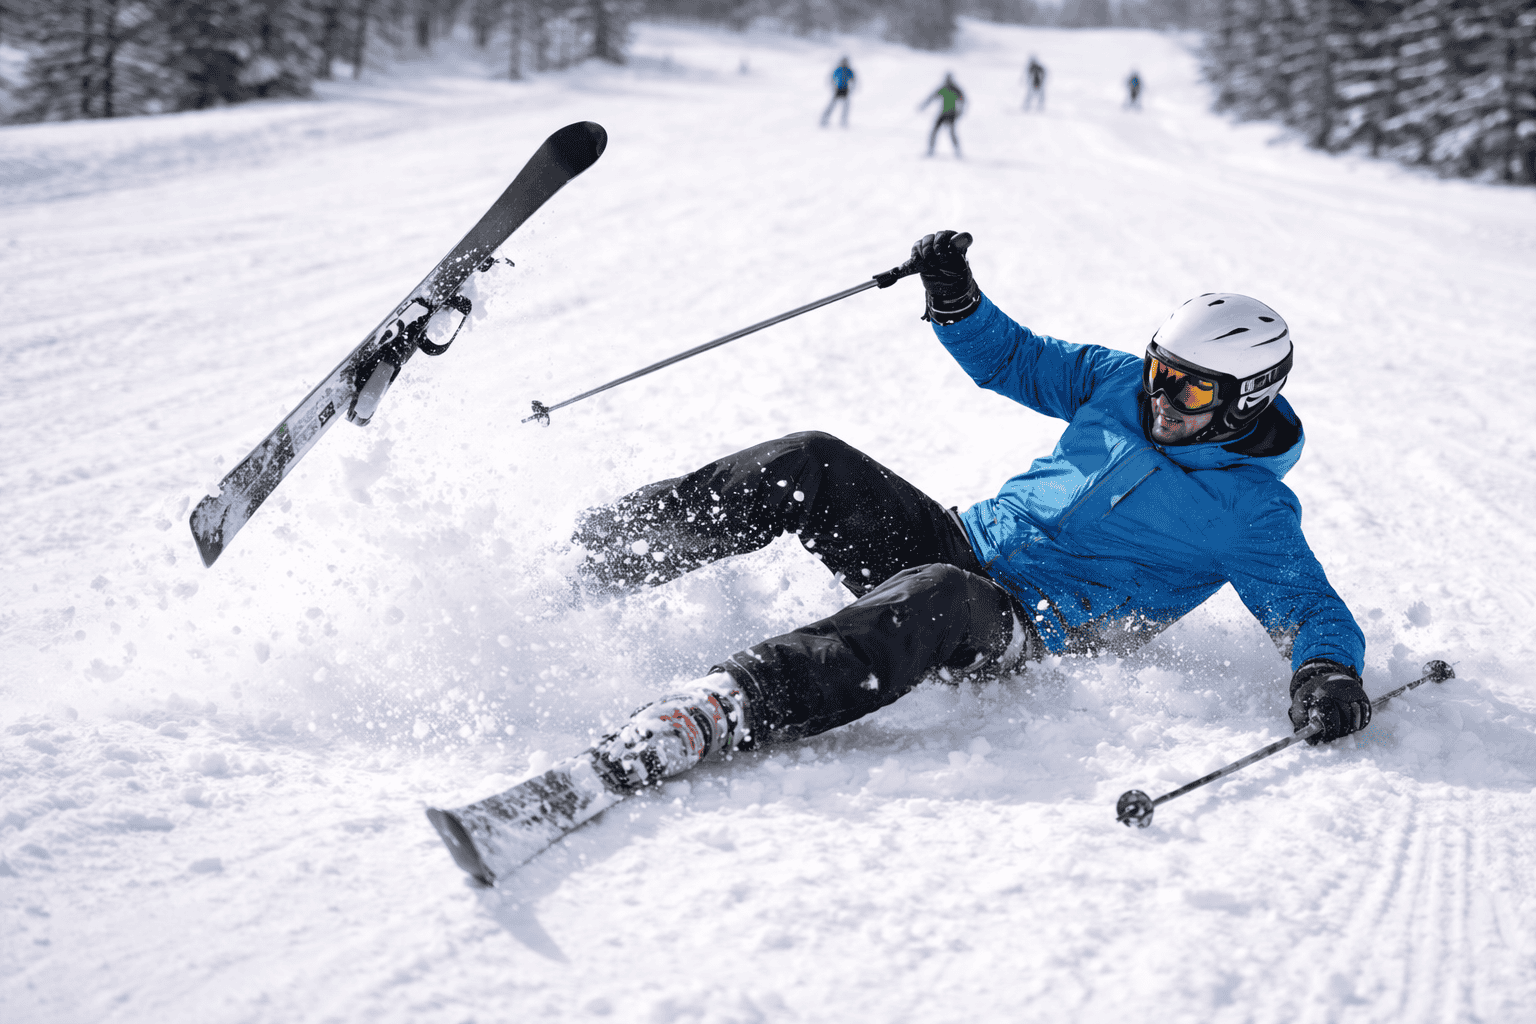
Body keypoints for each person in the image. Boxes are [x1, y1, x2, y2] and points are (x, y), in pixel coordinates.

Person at [570, 231, 1371, 792]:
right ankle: (597, 558)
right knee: (810, 458)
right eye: (1162, 368)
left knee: (940, 599)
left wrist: (1327, 672)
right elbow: (1016, 360)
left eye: (1191, 386)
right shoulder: (1119, 382)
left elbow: (1307, 610)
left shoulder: (1252, 510)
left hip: (1023, 624)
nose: (1161, 394)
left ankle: (726, 707)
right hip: (960, 539)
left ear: (1248, 397)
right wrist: (957, 301)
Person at [921, 74, 966, 157]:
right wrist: (924, 105)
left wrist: (960, 111)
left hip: (951, 114)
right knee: (935, 131)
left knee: (951, 132)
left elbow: (963, 100)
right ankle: (931, 150)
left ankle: (958, 151)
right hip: (943, 113)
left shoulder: (955, 90)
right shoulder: (943, 88)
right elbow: (932, 97)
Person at [821, 57, 856, 127]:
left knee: (845, 106)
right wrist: (833, 86)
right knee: (832, 105)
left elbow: (853, 80)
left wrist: (852, 88)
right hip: (838, 89)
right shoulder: (839, 69)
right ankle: (824, 119)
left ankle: (843, 120)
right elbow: (832, 78)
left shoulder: (848, 70)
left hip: (845, 89)